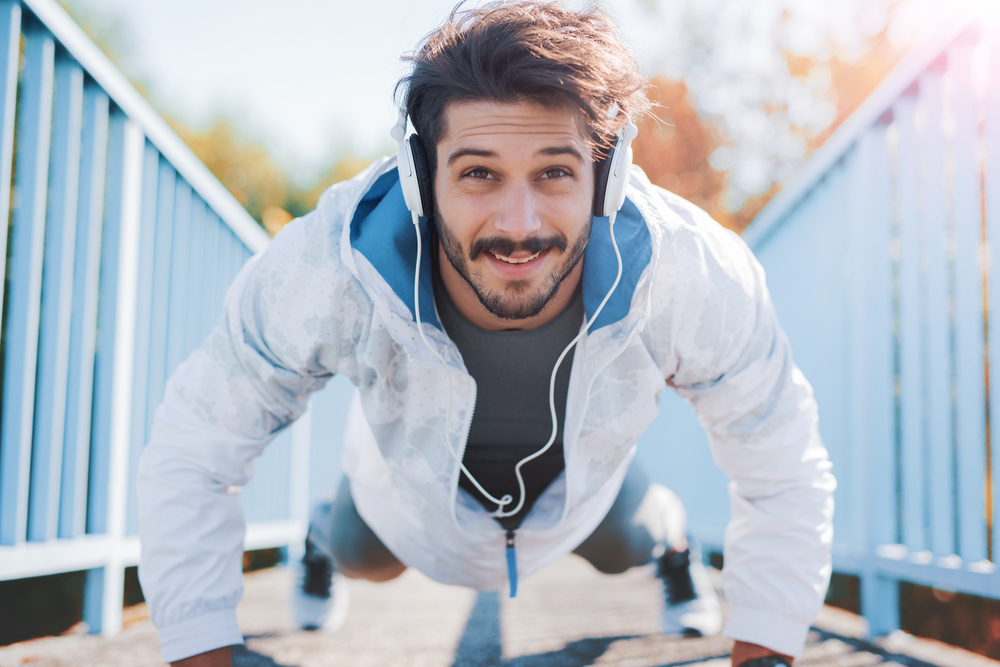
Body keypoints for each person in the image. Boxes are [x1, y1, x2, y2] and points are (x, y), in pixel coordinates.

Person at [137, 3, 835, 666]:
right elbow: (196, 446)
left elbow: (781, 456)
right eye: (479, 173)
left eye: (556, 172)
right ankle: (319, 539)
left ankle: (676, 548)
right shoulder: (332, 261)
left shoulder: (687, 271)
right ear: (419, 176)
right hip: (401, 503)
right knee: (353, 548)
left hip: (584, 498)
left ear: (608, 176)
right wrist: (200, 646)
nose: (519, 223)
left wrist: (766, 645)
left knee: (640, 537)